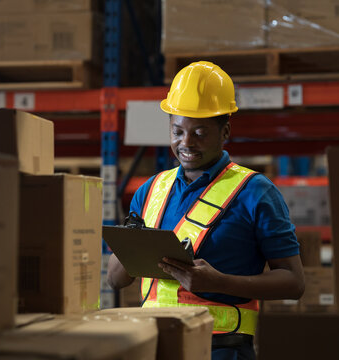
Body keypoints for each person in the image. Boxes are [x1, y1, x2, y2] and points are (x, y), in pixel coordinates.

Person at [107, 61, 304, 360]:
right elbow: (116, 280)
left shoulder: (256, 192)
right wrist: (133, 246)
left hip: (223, 351)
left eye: (200, 132)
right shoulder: (150, 190)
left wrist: (219, 282)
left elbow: (294, 282)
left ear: (225, 130)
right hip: (155, 347)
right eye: (177, 131)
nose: (186, 143)